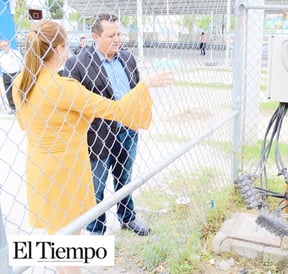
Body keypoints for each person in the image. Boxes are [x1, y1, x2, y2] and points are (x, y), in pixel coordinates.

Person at [12, 19, 172, 274]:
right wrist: (146, 85)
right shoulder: (63, 88)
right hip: (67, 171)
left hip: (39, 169)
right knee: (71, 242)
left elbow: (23, 124)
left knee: (58, 239)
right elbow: (116, 109)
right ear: (59, 50)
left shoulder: (22, 82)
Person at [62, 13, 153, 236]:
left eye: (118, 34)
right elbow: (72, 104)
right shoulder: (77, 63)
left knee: (125, 180)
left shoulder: (127, 58)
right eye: (111, 35)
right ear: (95, 36)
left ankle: (127, 218)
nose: (117, 39)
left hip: (128, 132)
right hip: (97, 137)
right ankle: (97, 231)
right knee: (96, 187)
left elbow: (137, 90)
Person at [0, 39, 23, 113]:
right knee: (8, 92)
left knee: (18, 90)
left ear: (9, 45)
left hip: (16, 73)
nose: (4, 48)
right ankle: (12, 107)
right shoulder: (0, 55)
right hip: (6, 75)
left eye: (5, 46)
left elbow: (22, 63)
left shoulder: (15, 53)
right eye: (2, 47)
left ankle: (21, 105)